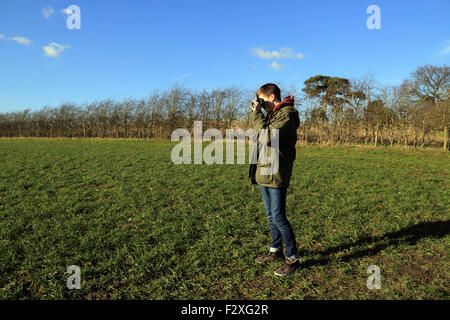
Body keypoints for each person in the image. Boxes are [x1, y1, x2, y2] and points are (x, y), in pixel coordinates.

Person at [248, 83, 300, 277]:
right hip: (264, 170)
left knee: (278, 216)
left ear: (271, 97)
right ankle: (275, 250)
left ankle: (293, 258)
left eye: (261, 100)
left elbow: (266, 136)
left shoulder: (287, 114)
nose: (260, 104)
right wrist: (257, 114)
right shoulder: (271, 115)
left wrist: (258, 114)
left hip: (276, 171)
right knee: (271, 215)